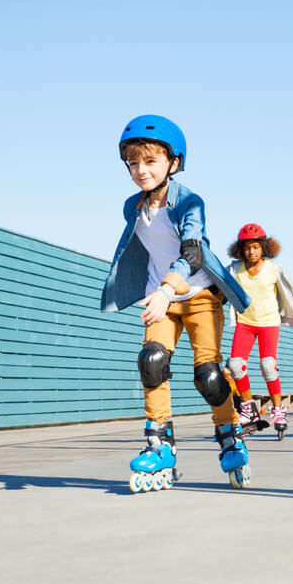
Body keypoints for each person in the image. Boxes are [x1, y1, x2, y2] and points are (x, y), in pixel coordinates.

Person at [100, 115, 253, 491]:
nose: (140, 170)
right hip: (161, 297)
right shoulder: (132, 208)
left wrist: (167, 289)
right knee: (151, 360)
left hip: (198, 294)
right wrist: (155, 290)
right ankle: (159, 444)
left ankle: (229, 432)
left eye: (150, 161)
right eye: (133, 163)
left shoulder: (190, 202)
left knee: (209, 376)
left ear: (174, 162)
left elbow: (193, 252)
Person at [226, 223, 293, 440]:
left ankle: (278, 410)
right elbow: (216, 287)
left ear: (264, 247)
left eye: (256, 247)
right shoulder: (233, 270)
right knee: (235, 365)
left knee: (268, 365)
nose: (251, 252)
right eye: (247, 248)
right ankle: (248, 409)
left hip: (268, 323)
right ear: (241, 250)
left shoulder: (274, 268)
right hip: (245, 323)